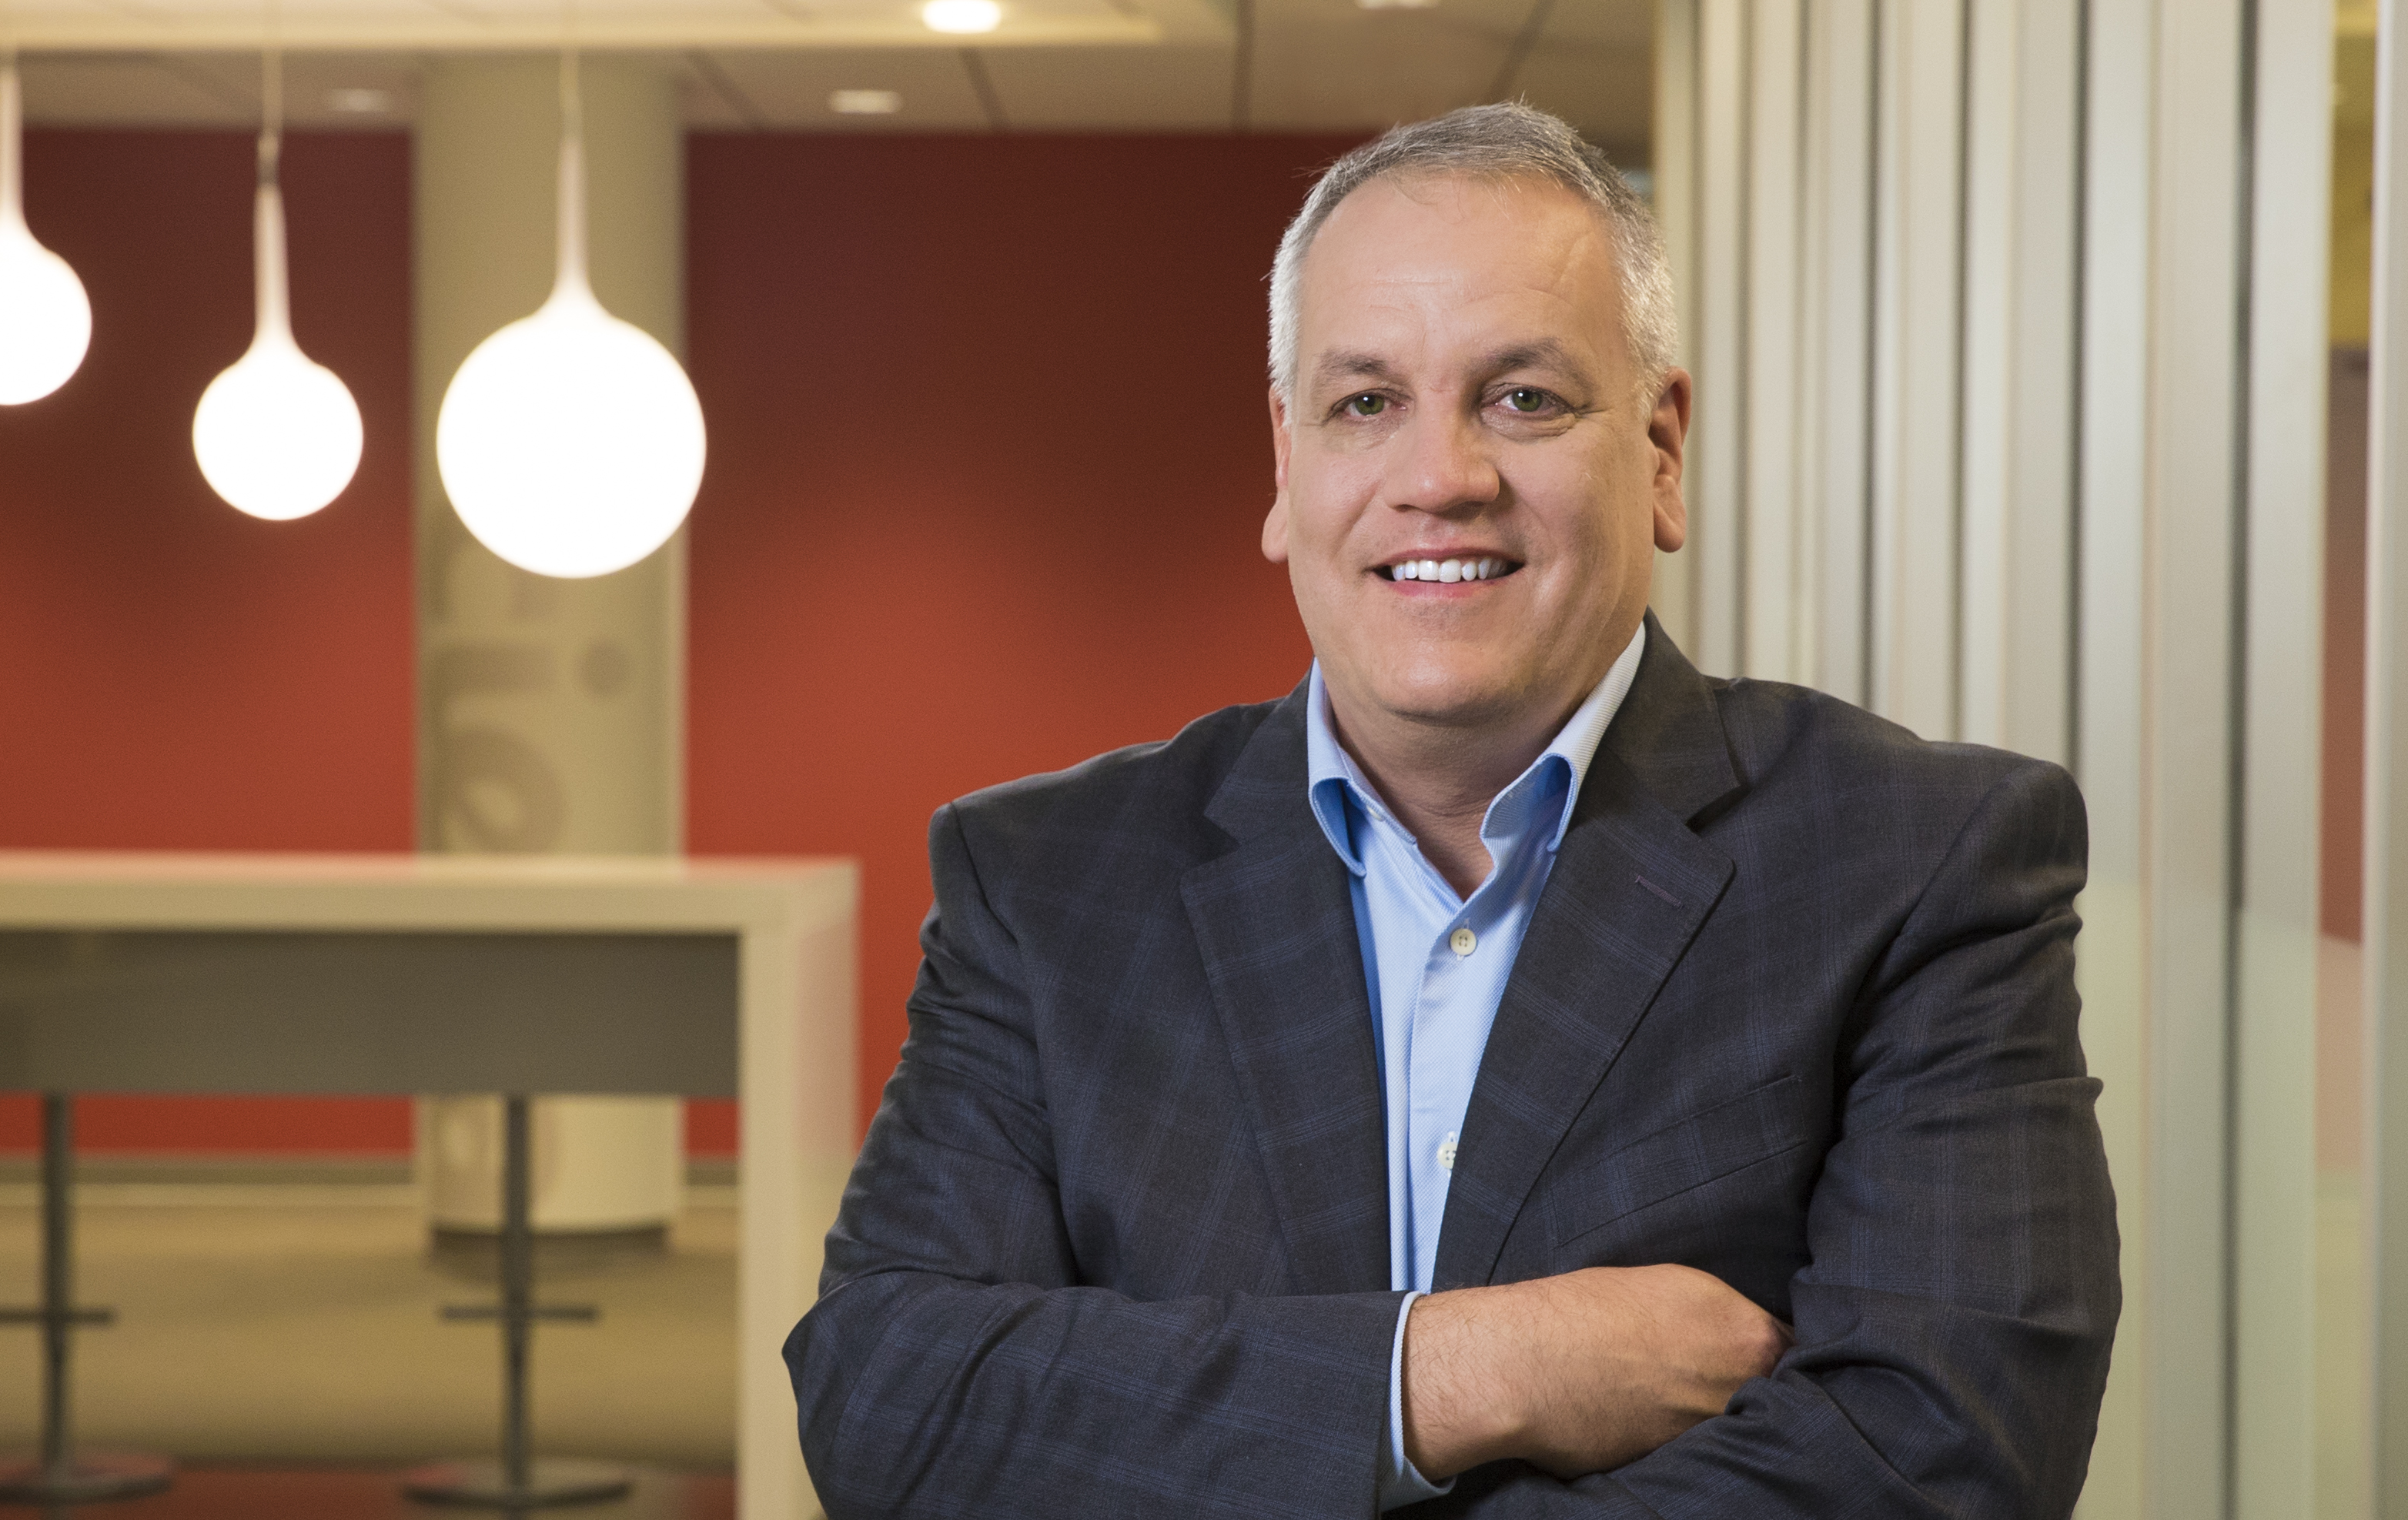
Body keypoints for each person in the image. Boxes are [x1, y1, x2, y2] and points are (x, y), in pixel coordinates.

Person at [784, 102, 2119, 1518]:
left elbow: (1942, 1466)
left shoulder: (1920, 863)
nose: (1441, 480)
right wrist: (1462, 1372)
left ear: (1661, 453)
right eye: (1368, 404)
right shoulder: (1044, 882)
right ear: (1287, 468)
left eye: (1525, 398)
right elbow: (887, 1398)